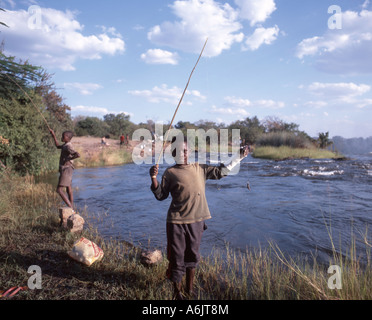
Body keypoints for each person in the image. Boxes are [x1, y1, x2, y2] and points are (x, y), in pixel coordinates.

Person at [149, 135, 248, 300]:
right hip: (176, 223)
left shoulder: (200, 168)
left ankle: (190, 290)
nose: (184, 154)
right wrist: (153, 179)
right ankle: (177, 292)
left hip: (196, 222)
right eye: (180, 151)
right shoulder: (170, 172)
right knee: (176, 258)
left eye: (187, 151)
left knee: (192, 257)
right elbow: (161, 196)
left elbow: (221, 172)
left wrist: (239, 156)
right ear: (173, 153)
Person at [49, 129, 80, 211]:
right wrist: (53, 135)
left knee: (59, 190)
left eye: (63, 136)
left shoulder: (68, 146)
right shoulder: (65, 145)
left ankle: (71, 208)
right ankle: (71, 207)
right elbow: (57, 146)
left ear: (68, 137)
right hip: (67, 169)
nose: (62, 137)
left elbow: (77, 154)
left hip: (66, 169)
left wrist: (68, 159)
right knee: (68, 188)